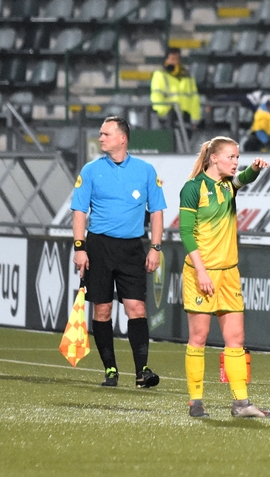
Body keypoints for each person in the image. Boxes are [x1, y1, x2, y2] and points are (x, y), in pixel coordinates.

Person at [179, 136, 270, 418]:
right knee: (199, 336)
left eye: (238, 157)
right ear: (214, 159)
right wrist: (201, 271)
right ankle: (195, 402)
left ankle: (241, 403)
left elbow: (245, 178)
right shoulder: (193, 188)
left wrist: (255, 169)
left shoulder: (228, 186)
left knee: (236, 337)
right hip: (202, 273)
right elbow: (185, 232)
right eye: (231, 157)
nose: (236, 162)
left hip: (229, 273)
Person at [71, 116, 166, 388]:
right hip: (99, 245)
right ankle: (110, 370)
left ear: (122, 138)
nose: (100, 138)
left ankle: (142, 372)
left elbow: (157, 212)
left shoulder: (146, 170)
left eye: (106, 134)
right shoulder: (90, 171)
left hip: (133, 247)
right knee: (102, 310)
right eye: (100, 134)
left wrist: (155, 247)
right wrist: (80, 248)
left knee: (137, 307)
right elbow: (79, 212)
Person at [150, 47, 201, 131]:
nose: (175, 62)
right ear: (166, 60)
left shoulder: (188, 77)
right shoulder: (160, 75)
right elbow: (157, 96)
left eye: (177, 59)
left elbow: (194, 99)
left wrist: (195, 119)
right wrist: (165, 113)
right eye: (172, 59)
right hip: (169, 118)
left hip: (185, 117)